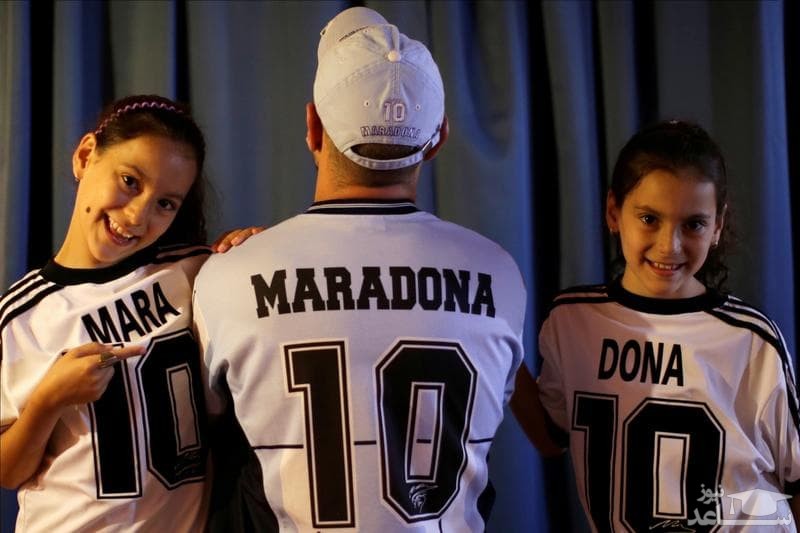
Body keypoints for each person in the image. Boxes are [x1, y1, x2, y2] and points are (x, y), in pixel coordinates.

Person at [192, 6, 527, 531]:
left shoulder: (227, 276)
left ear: (312, 126)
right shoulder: (500, 273)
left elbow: (206, 436)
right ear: (438, 137)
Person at [512, 120, 800, 530]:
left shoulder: (751, 339)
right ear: (613, 212)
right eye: (649, 218)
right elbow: (550, 435)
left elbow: (796, 477)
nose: (670, 245)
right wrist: (494, 337)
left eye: (694, 224)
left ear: (718, 226)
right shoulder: (571, 321)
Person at [0, 94, 261, 532]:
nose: (138, 216)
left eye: (166, 203)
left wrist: (258, 250)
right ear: (85, 156)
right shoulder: (20, 315)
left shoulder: (197, 272)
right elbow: (9, 472)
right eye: (130, 181)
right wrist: (48, 400)